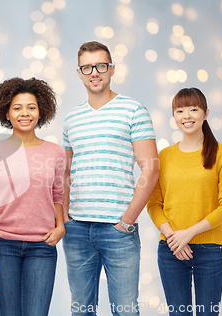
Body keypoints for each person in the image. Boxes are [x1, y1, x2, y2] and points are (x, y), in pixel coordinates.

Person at [62, 41, 159, 316]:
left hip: (118, 229)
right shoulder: (71, 119)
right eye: (87, 67)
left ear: (112, 69)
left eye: (101, 66)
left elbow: (150, 169)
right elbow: (67, 172)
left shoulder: (133, 110)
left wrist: (127, 221)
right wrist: (67, 217)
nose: (95, 72)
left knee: (125, 311)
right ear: (79, 73)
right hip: (77, 229)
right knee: (81, 310)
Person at [0, 77, 66, 316]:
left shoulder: (56, 153)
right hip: (3, 246)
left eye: (31, 107)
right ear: (6, 113)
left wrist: (61, 226)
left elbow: (57, 194)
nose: (24, 113)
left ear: (41, 112)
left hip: (42, 247)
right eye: (17, 108)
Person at [147, 87, 222, 316]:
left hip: (210, 250)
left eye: (193, 109)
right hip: (171, 249)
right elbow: (154, 204)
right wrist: (173, 237)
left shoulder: (221, 153)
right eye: (179, 110)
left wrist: (188, 233)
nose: (186, 116)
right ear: (174, 116)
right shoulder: (164, 156)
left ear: (205, 113)